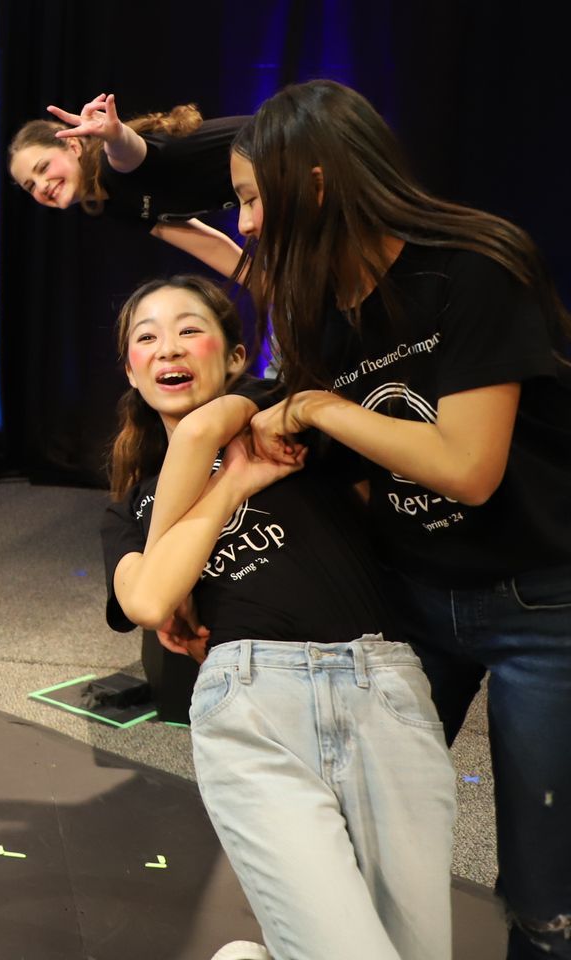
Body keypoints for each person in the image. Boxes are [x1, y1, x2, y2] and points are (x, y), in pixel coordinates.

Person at [231, 80, 571, 960]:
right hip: (411, 603)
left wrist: (313, 406)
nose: (246, 226)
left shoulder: (475, 266)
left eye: (252, 197)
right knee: (349, 832)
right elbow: (335, 486)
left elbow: (466, 468)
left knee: (545, 890)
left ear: (312, 184)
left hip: (542, 606)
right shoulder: (317, 310)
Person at [100, 274, 454, 960]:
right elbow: (145, 601)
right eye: (146, 337)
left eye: (189, 329)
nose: (168, 347)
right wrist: (230, 483)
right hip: (253, 700)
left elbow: (206, 428)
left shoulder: (280, 414)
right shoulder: (133, 507)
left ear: (236, 358)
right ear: (131, 371)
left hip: (380, 683)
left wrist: (224, 461)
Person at [6, 94, 245, 275]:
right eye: (30, 186)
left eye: (43, 168)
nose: (42, 185)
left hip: (277, 148)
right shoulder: (113, 204)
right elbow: (209, 246)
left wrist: (115, 135)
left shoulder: (112, 164)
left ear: (74, 146)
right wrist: (266, 290)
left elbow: (126, 150)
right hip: (272, 187)